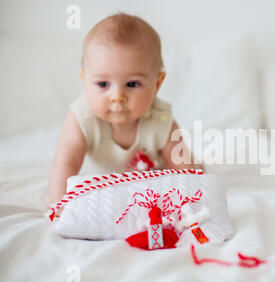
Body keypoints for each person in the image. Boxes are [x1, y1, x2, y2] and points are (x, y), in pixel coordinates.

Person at [48, 12, 199, 209]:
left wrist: (189, 201)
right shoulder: (81, 119)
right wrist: (60, 206)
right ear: (85, 80)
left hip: (151, 186)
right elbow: (65, 165)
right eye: (103, 83)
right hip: (104, 186)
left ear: (157, 83)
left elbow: (183, 169)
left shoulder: (161, 121)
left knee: (196, 168)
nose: (117, 96)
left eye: (132, 84)